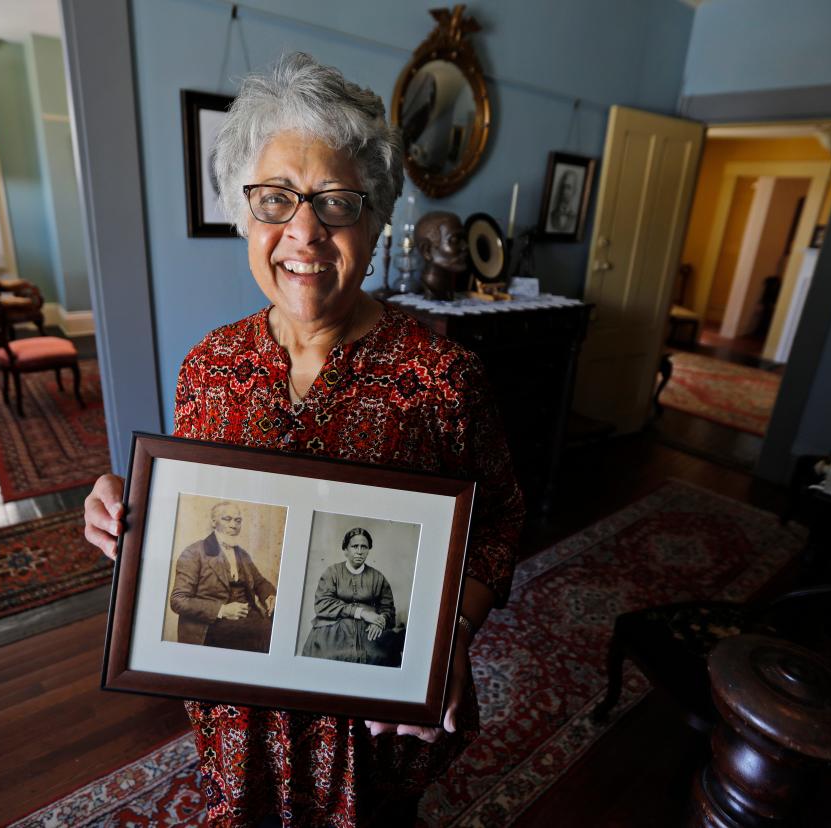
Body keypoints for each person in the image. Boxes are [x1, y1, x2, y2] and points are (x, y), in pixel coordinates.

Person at [83, 52, 523, 827]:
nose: (305, 232)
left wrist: (451, 632)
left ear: (377, 216)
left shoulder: (444, 376)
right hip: (237, 694)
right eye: (276, 199)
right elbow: (194, 518)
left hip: (372, 711)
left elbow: (499, 522)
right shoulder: (208, 367)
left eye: (337, 201)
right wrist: (131, 516)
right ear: (242, 212)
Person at [169, 501, 276, 651]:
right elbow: (178, 600)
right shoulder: (194, 553)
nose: (234, 525)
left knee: (272, 630)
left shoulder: (242, 555)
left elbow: (260, 582)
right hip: (210, 626)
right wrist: (222, 610)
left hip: (248, 620)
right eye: (227, 519)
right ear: (214, 522)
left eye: (238, 520)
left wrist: (269, 596)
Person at [301, 527, 404, 667]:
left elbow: (388, 609)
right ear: (345, 550)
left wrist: (380, 621)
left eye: (364, 547)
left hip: (368, 633)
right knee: (328, 658)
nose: (360, 551)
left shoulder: (378, 577)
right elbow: (322, 603)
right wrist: (361, 613)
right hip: (333, 632)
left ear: (368, 550)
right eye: (355, 546)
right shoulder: (332, 573)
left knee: (380, 657)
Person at [546, 169, 578, 234]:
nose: (564, 191)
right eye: (563, 187)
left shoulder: (575, 217)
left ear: (574, 191)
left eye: (568, 187)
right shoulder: (552, 214)